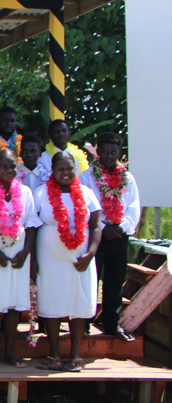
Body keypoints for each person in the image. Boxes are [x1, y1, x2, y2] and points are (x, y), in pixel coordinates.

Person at [35, 152, 102, 372]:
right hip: (50, 256)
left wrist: (91, 253)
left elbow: (95, 226)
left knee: (78, 300)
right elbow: (31, 227)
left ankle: (75, 353)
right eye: (61, 169)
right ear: (53, 172)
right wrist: (33, 259)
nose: (66, 173)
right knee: (52, 299)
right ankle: (54, 352)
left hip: (80, 257)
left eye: (69, 168)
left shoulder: (87, 193)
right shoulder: (42, 193)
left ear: (76, 169)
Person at [0, 149, 40, 368]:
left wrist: (26, 252)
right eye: (4, 166)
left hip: (18, 252)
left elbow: (31, 224)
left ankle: (10, 351)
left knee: (14, 301)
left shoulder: (25, 192)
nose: (9, 170)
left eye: (13, 166)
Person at [80, 132, 140, 342]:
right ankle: (84, 322)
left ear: (119, 153)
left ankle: (111, 324)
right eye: (104, 152)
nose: (108, 156)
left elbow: (133, 207)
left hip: (119, 234)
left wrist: (121, 228)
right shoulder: (87, 177)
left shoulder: (127, 178)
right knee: (91, 279)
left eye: (113, 152)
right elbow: (83, 206)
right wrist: (102, 228)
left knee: (115, 280)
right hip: (96, 234)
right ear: (98, 152)